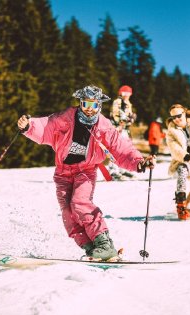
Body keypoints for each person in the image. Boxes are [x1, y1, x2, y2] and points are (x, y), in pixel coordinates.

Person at [16, 85, 155, 261]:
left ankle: (105, 245)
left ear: (99, 106)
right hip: (63, 172)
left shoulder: (104, 126)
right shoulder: (66, 118)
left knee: (80, 203)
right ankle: (89, 247)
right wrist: (29, 126)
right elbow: (46, 127)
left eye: (94, 105)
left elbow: (121, 149)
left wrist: (139, 162)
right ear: (80, 103)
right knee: (68, 212)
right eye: (85, 104)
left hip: (86, 171)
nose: (89, 109)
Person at [108, 85, 137, 179]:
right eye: (124, 93)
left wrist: (131, 118)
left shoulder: (128, 103)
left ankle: (122, 169)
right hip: (117, 128)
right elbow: (116, 114)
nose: (126, 95)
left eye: (128, 93)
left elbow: (128, 116)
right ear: (120, 93)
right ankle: (113, 171)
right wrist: (124, 120)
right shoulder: (117, 102)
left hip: (124, 129)